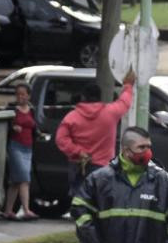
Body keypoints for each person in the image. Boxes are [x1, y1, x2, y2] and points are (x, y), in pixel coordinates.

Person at [56, 69, 136, 197]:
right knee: (100, 201)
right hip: (103, 167)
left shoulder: (72, 117)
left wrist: (78, 151)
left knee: (80, 201)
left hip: (79, 166)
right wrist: (128, 85)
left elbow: (61, 139)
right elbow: (124, 102)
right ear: (100, 97)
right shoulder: (111, 113)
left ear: (83, 97)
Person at [2, 83, 39, 220]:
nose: (20, 97)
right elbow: (4, 125)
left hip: (28, 148)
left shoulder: (32, 109)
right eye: (18, 94)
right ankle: (26, 210)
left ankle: (8, 211)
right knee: (24, 178)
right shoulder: (12, 109)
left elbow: (34, 126)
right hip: (15, 146)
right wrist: (13, 128)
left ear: (28, 95)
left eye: (23, 94)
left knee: (15, 182)